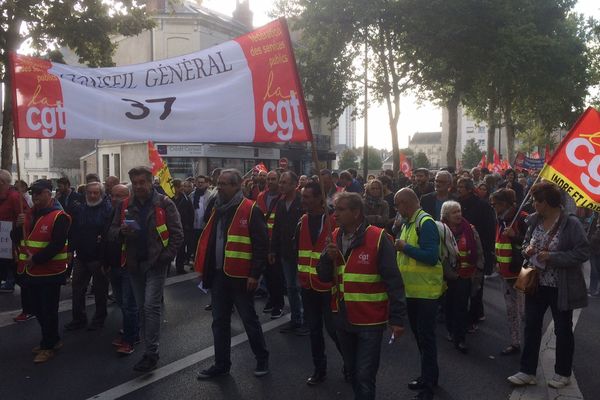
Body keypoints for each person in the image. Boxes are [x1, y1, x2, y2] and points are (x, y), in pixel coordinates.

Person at [317, 192, 406, 400]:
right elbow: (323, 276)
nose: (335, 214)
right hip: (342, 317)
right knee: (353, 372)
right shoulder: (334, 236)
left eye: (340, 209)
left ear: (356, 212)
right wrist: (326, 258)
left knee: (365, 374)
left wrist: (397, 318)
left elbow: (394, 281)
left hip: (370, 320)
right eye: (335, 209)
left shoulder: (378, 238)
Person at [508, 181, 589, 388]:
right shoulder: (534, 220)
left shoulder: (571, 224)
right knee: (531, 326)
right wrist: (526, 250)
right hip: (535, 283)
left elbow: (582, 252)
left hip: (560, 287)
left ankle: (562, 373)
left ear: (549, 202)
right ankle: (527, 371)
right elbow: (526, 242)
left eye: (537, 201)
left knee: (562, 330)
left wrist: (552, 257)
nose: (533, 204)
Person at [195, 169, 270, 379]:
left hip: (240, 276)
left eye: (225, 183)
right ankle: (221, 365)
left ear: (237, 186)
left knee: (249, 320)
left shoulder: (250, 209)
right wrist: (205, 269)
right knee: (219, 321)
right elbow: (210, 241)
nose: (219, 187)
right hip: (219, 275)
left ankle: (262, 358)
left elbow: (261, 245)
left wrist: (255, 274)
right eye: (218, 183)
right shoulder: (217, 208)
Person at [109, 166, 183, 372]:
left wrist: (165, 258)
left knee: (151, 308)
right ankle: (147, 346)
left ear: (151, 182)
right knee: (142, 307)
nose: (139, 186)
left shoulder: (164, 204)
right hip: (134, 265)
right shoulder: (124, 205)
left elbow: (177, 234)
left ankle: (151, 353)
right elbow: (112, 231)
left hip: (156, 264)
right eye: (136, 182)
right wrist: (121, 231)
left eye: (143, 182)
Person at [14, 179, 71, 363]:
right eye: (33, 193)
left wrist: (36, 259)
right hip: (30, 271)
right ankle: (52, 339)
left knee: (48, 310)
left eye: (39, 193)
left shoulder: (59, 216)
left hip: (50, 272)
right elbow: (16, 238)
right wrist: (17, 225)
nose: (35, 196)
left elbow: (57, 244)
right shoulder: (28, 214)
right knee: (37, 308)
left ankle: (48, 346)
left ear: (49, 193)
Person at [394, 188, 443, 400]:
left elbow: (431, 257)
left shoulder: (425, 222)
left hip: (426, 291)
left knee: (426, 338)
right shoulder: (408, 223)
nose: (397, 209)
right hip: (413, 290)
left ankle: (429, 386)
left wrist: (404, 248)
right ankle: (427, 377)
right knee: (421, 338)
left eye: (398, 205)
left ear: (407, 203)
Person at [295, 182, 343, 385]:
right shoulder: (303, 221)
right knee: (314, 331)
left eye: (307, 197)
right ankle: (319, 370)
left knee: (334, 330)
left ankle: (349, 363)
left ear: (319, 199)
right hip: (308, 285)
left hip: (328, 286)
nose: (303, 200)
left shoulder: (334, 221)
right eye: (303, 196)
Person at [65, 182, 113, 331]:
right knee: (77, 289)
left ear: (101, 194)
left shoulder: (108, 210)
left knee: (100, 291)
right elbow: (73, 231)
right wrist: (70, 250)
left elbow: (109, 234)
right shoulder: (80, 209)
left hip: (98, 257)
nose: (92, 196)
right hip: (81, 255)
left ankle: (99, 319)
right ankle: (78, 319)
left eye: (95, 193)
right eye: (90, 193)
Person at [440, 201, 483, 354]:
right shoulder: (440, 230)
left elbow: (478, 251)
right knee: (448, 304)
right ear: (446, 215)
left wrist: (478, 270)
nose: (458, 214)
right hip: (445, 276)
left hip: (465, 275)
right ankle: (451, 330)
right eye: (454, 212)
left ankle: (460, 338)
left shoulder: (470, 229)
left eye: (459, 211)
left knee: (461, 306)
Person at [490, 188, 527, 355]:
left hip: (522, 272)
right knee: (511, 310)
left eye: (495, 204)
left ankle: (530, 343)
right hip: (505, 273)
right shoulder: (501, 219)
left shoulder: (522, 218)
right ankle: (515, 342)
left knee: (524, 311)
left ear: (504, 204)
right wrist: (498, 262)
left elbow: (532, 243)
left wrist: (515, 236)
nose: (493, 207)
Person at [456, 177, 496, 329]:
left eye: (461, 186)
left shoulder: (482, 206)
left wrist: (487, 251)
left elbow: (488, 229)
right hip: (461, 250)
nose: (458, 189)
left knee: (476, 285)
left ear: (469, 189)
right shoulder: (457, 203)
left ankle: (474, 315)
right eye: (458, 186)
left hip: (478, 250)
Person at [106, 184, 140, 355]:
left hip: (129, 263)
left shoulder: (135, 208)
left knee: (129, 304)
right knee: (121, 302)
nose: (115, 199)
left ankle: (130, 339)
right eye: (113, 195)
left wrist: (132, 232)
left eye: (120, 196)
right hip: (113, 263)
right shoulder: (111, 210)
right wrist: (120, 231)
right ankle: (132, 331)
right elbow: (110, 232)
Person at [270, 171, 307, 330]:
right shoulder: (279, 203)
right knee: (291, 286)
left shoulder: (303, 202)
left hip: (303, 252)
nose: (281, 185)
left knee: (303, 287)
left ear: (294, 184)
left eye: (285, 182)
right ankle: (296, 319)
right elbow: (276, 228)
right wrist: (272, 250)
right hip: (286, 252)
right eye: (281, 182)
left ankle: (307, 320)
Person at [172, 179, 194, 274]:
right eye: (180, 186)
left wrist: (189, 225)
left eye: (182, 186)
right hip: (170, 227)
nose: (182, 188)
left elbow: (191, 213)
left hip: (183, 228)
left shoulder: (186, 198)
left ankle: (179, 267)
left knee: (181, 249)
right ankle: (167, 268)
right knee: (170, 248)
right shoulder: (168, 198)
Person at [190, 175, 212, 264]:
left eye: (202, 182)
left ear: (206, 183)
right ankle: (195, 262)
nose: (200, 184)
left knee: (204, 246)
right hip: (194, 225)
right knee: (195, 245)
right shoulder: (192, 195)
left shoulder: (210, 195)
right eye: (198, 182)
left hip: (205, 225)